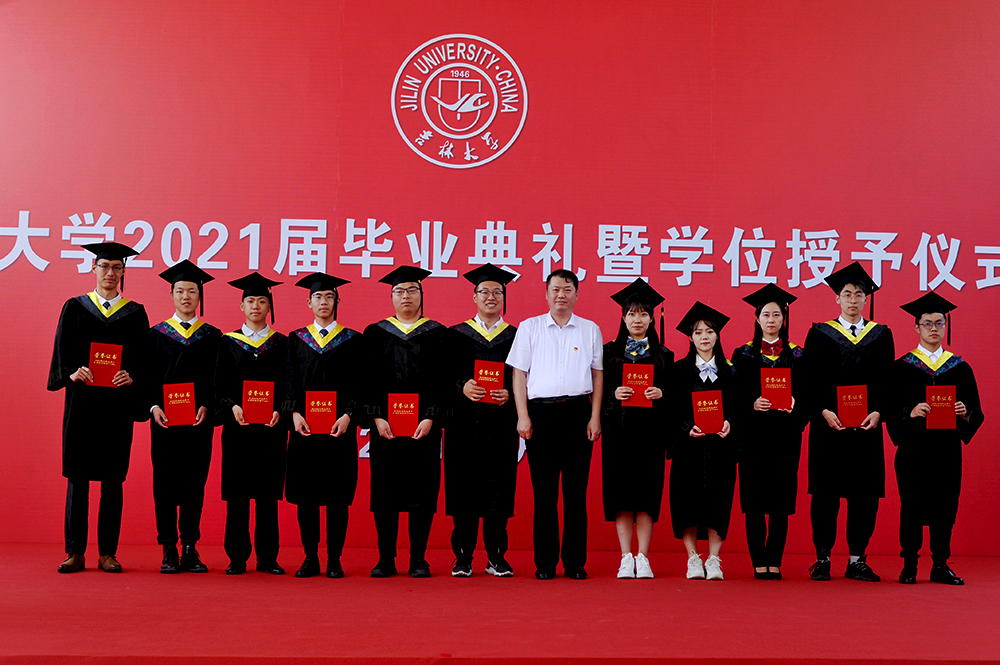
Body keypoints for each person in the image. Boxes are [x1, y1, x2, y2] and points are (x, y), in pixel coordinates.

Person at [48, 241, 149, 573]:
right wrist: (72, 372)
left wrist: (131, 376)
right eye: (104, 266)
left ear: (123, 271)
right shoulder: (75, 307)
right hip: (82, 405)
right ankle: (75, 551)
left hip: (117, 406)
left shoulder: (135, 313)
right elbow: (62, 353)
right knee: (77, 479)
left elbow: (143, 362)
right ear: (94, 269)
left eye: (117, 267)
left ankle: (108, 552)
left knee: (112, 480)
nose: (110, 273)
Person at [507, 269, 603, 580]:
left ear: (577, 294)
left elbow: (597, 374)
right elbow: (519, 374)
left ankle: (574, 562)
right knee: (544, 494)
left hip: (578, 413)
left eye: (567, 289)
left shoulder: (590, 329)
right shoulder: (530, 327)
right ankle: (545, 563)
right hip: (541, 415)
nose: (561, 295)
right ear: (546, 294)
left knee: (576, 494)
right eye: (556, 289)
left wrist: (595, 416)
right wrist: (523, 415)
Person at [803, 262, 894, 582]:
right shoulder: (819, 334)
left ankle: (857, 559)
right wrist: (822, 410)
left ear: (866, 299)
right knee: (825, 495)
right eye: (847, 294)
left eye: (858, 294)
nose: (853, 299)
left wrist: (879, 411)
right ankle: (823, 558)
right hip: (829, 428)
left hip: (865, 429)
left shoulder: (881, 335)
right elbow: (809, 379)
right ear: (837, 299)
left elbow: (888, 380)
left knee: (864, 495)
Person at [886, 292, 983, 585]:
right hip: (913, 450)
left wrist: (965, 412)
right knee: (911, 506)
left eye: (939, 323)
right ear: (916, 327)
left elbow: (976, 412)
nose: (933, 328)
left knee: (945, 506)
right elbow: (889, 410)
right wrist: (910, 411)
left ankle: (940, 564)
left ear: (945, 327)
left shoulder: (960, 368)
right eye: (927, 323)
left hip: (946, 451)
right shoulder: (902, 367)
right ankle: (910, 565)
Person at [363, 265, 448, 578]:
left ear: (421, 295)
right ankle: (386, 558)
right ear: (391, 297)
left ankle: (418, 559)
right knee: (385, 493)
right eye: (399, 291)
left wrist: (431, 417)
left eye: (412, 290)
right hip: (385, 428)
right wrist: (376, 415)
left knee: (422, 493)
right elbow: (367, 379)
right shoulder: (375, 333)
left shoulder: (437, 334)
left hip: (423, 429)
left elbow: (443, 381)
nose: (406, 296)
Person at [284, 272, 364, 579]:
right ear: (309, 302)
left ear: (337, 301)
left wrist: (348, 415)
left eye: (329, 297)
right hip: (304, 431)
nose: (324, 302)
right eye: (318, 297)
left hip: (338, 431)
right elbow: (289, 380)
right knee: (306, 497)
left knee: (337, 497)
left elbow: (358, 383)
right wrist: (294, 413)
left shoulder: (353, 340)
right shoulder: (296, 339)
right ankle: (310, 557)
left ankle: (334, 558)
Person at [146, 260, 221, 574]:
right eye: (180, 291)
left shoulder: (212, 336)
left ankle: (190, 546)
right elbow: (147, 377)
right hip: (165, 422)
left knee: (194, 483)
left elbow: (218, 379)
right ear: (172, 295)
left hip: (197, 423)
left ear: (200, 295)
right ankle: (168, 547)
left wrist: (208, 406)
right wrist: (153, 406)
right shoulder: (156, 334)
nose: (186, 296)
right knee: (164, 483)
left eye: (192, 290)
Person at [445, 264, 519, 577]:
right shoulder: (455, 335)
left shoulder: (516, 336)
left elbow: (526, 377)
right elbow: (442, 376)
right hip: (465, 426)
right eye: (484, 292)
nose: (491, 297)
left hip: (500, 426)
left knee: (497, 488)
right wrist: (461, 385)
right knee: (464, 487)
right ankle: (463, 557)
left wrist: (511, 394)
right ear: (474, 297)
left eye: (497, 292)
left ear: (504, 298)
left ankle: (496, 557)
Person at [730, 284, 806, 580]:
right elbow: (733, 397)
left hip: (785, 437)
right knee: (754, 500)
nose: (771, 319)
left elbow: (809, 394)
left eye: (776, 314)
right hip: (753, 438)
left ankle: (775, 559)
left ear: (784, 319)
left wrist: (795, 404)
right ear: (757, 318)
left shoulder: (798, 356)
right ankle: (758, 560)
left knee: (780, 500)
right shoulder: (743, 355)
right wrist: (752, 403)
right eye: (766, 314)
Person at [215, 272, 287, 575]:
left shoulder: (282, 344)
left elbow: (289, 385)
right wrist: (232, 406)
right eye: (250, 301)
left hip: (271, 430)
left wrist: (280, 410)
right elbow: (219, 384)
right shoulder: (227, 342)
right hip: (238, 430)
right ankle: (237, 557)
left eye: (261, 300)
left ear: (269, 306)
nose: (255, 305)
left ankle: (268, 557)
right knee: (238, 496)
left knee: (268, 496)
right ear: (242, 306)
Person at [600, 279, 672, 580]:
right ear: (623, 317)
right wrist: (613, 394)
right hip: (618, 434)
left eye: (643, 313)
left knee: (646, 495)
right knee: (621, 495)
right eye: (632, 313)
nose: (637, 319)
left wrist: (662, 393)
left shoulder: (664, 355)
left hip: (650, 436)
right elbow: (596, 392)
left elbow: (676, 395)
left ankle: (643, 556)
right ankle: (625, 556)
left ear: (652, 318)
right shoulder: (609, 352)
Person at [670, 301, 737, 581]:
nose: (704, 337)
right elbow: (670, 410)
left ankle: (713, 558)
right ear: (690, 337)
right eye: (698, 332)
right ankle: (692, 558)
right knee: (687, 500)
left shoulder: (731, 371)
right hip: (689, 448)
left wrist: (729, 422)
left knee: (718, 500)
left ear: (717, 335)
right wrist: (687, 428)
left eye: (709, 331)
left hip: (720, 448)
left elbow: (738, 408)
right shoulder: (678, 371)